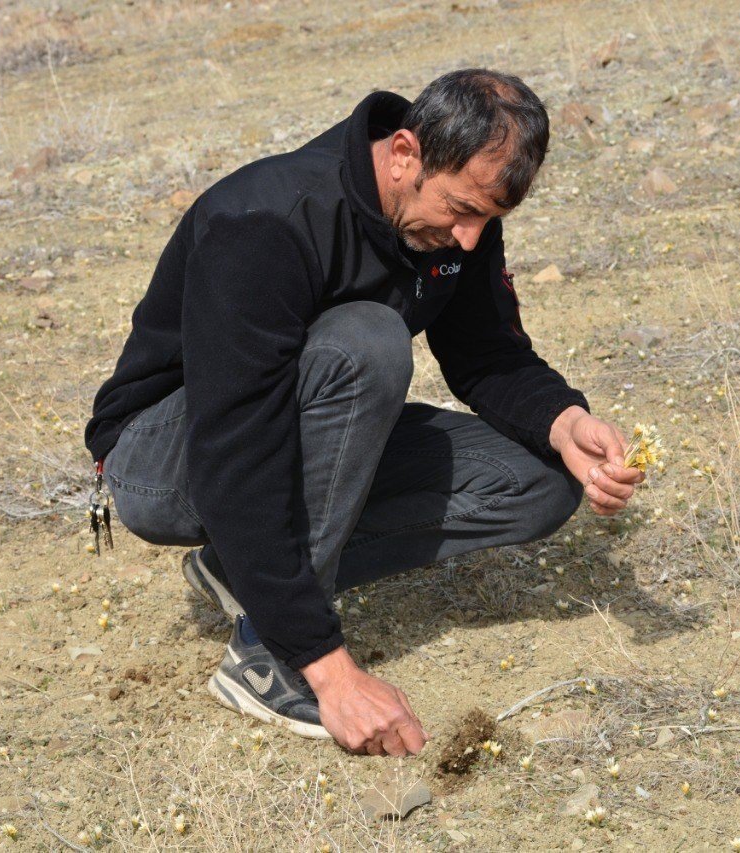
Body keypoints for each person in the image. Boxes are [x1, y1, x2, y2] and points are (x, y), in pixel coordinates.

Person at [83, 69, 644, 758]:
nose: (470, 239)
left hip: (283, 433)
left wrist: (563, 422)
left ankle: (243, 570)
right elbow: (234, 452)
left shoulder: (453, 222)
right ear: (405, 153)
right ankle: (270, 657)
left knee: (538, 480)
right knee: (367, 344)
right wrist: (328, 664)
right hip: (165, 459)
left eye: (488, 221)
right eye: (462, 210)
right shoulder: (265, 223)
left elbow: (485, 355)